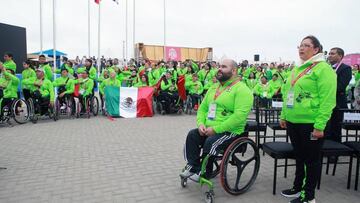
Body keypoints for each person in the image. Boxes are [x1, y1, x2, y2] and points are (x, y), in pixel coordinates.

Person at [280, 35, 336, 203]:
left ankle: (308, 196)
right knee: (299, 156)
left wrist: (319, 125)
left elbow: (328, 100)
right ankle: (298, 187)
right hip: (293, 121)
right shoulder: (297, 69)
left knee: (311, 160)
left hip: (311, 123)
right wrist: (284, 115)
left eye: (306, 45)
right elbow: (287, 93)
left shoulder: (323, 69)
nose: (301, 48)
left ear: (316, 49)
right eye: (300, 45)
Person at [180, 59, 253, 182]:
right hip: (209, 128)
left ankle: (204, 171)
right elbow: (202, 108)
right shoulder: (214, 87)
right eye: (219, 66)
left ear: (234, 71)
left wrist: (216, 129)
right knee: (192, 135)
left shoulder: (242, 90)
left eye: (224, 67)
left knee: (211, 142)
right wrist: (201, 124)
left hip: (231, 131)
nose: (219, 68)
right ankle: (193, 166)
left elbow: (239, 117)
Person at [325, 47, 352, 143]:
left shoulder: (345, 68)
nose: (329, 55)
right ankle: (325, 149)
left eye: (332, 53)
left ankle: (334, 154)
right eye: (329, 53)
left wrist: (324, 90)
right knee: (326, 129)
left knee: (335, 129)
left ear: (340, 56)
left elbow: (340, 86)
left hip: (337, 103)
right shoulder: (326, 67)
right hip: (326, 103)